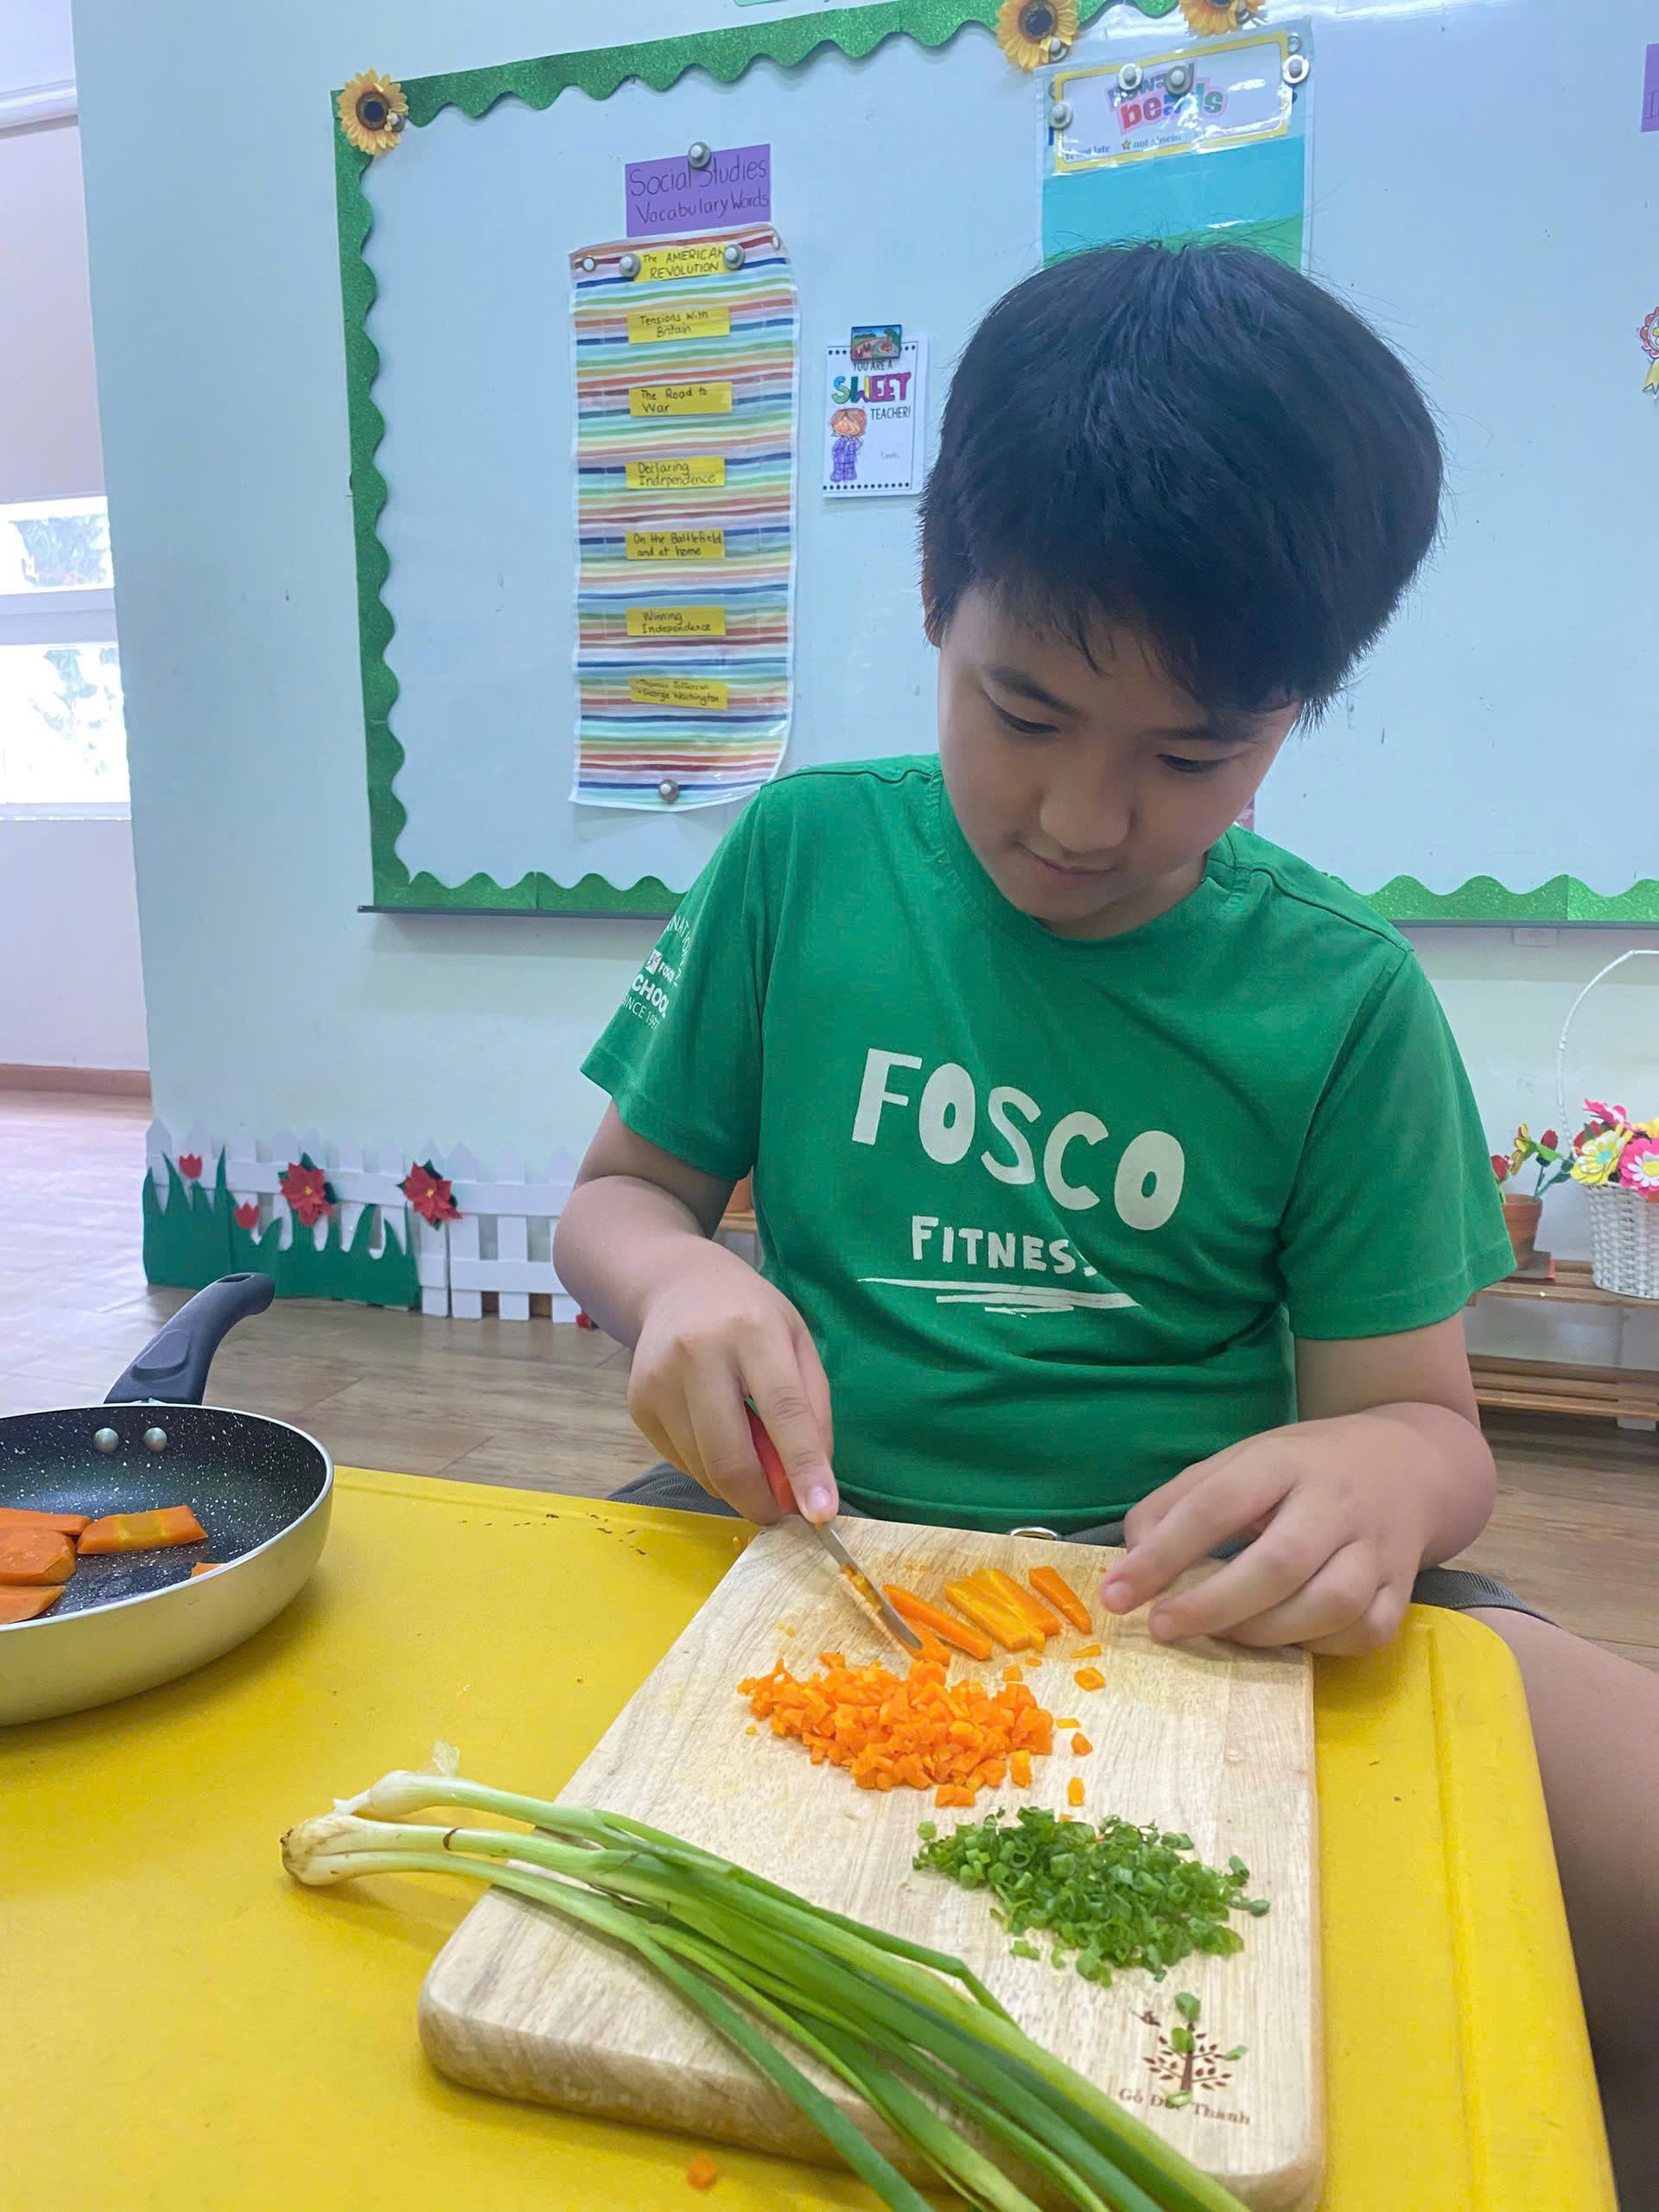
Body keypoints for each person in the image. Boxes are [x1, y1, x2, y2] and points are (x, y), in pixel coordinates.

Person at [555, 244, 1656, 2205]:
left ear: (1298, 712)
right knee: (513, 1787)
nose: (1080, 817)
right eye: (1023, 710)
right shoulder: (804, 858)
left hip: (1205, 1613)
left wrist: (1376, 1483)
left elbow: (1430, 1432)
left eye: (1190, 754)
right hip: (815, 1553)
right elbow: (618, 1201)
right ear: (933, 598)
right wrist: (681, 1273)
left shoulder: (1340, 999)